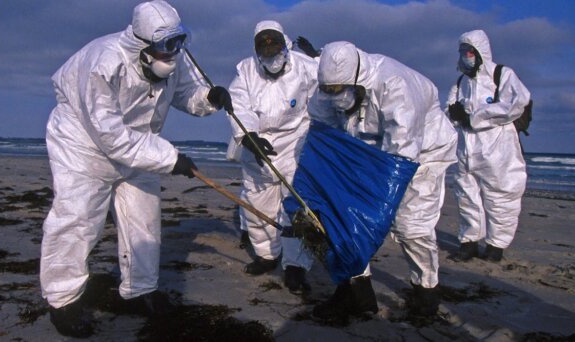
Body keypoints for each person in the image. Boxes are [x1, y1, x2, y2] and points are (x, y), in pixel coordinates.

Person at [40, 0, 232, 337]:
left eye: (178, 43)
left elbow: (185, 92)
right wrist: (171, 159)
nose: (173, 53)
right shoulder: (103, 62)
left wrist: (209, 99)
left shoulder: (174, 57)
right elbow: (111, 137)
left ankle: (139, 289)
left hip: (142, 144)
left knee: (144, 221)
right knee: (77, 220)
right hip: (84, 147)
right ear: (142, 46)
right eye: (165, 47)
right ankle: (63, 300)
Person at [308, 41, 457, 321]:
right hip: (365, 150)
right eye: (328, 90)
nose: (332, 97)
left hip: (423, 154)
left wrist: (378, 204)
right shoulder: (325, 90)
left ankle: (426, 294)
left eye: (338, 91)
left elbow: (401, 152)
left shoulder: (395, 86)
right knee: (345, 218)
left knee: (411, 227)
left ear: (356, 81)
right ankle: (357, 292)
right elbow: (321, 132)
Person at [226, 20, 318, 294]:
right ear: (256, 50)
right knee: (257, 203)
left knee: (297, 206)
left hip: (296, 140)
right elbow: (239, 105)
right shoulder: (245, 71)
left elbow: (329, 79)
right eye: (263, 44)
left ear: (284, 43)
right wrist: (248, 135)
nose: (269, 49)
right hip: (258, 142)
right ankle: (267, 255)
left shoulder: (305, 66)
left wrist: (319, 55)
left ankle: (296, 266)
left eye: (274, 42)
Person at [446, 30, 530, 263]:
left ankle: (496, 245)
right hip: (467, 150)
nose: (466, 56)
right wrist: (456, 115)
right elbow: (449, 109)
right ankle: (469, 242)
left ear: (481, 52)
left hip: (498, 149)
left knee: (501, 196)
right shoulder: (462, 81)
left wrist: (474, 117)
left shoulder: (501, 74)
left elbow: (516, 103)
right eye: (463, 51)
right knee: (466, 195)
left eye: (470, 51)